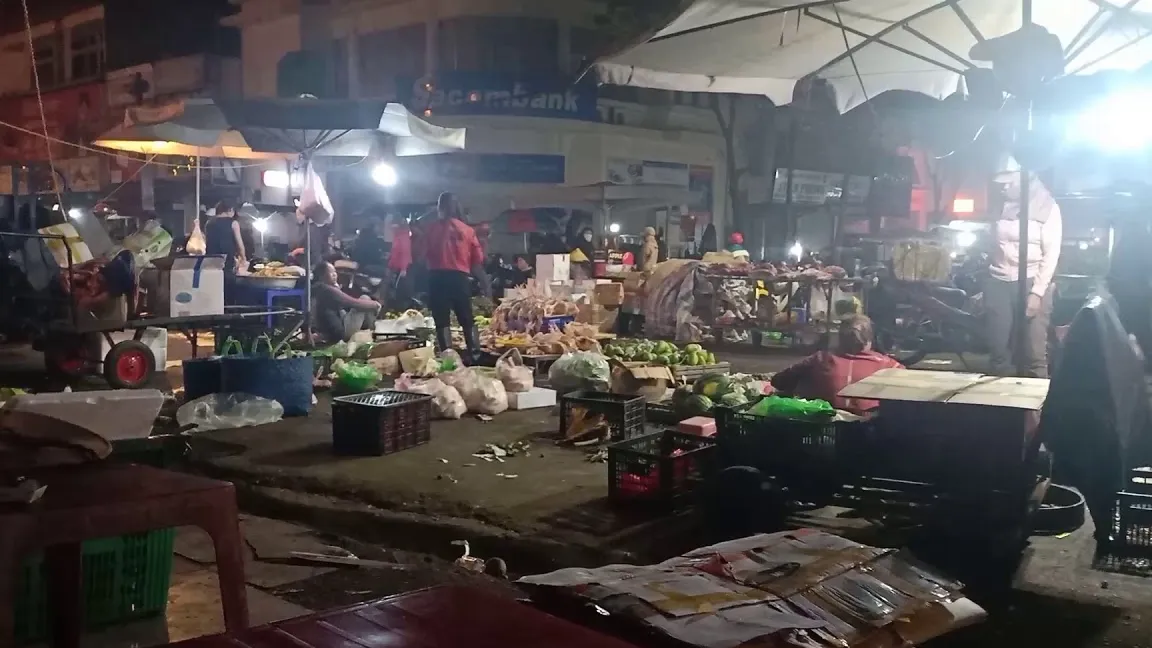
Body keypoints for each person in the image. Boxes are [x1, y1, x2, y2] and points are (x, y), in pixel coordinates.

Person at [984, 167, 1062, 378]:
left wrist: (1037, 293)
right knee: (998, 351)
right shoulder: (998, 206)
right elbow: (990, 244)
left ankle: (1036, 409)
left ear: (1024, 181)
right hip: (998, 280)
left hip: (1032, 281)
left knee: (1034, 353)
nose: (1004, 187)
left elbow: (1051, 254)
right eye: (1001, 184)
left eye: (1009, 182)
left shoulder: (1047, 207)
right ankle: (1002, 406)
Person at [770, 314, 903, 415]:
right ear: (869, 339)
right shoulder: (888, 365)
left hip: (824, 424)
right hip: (870, 428)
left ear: (839, 339)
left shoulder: (821, 358)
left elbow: (778, 381)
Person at [415, 192, 490, 357]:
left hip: (437, 278)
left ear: (439, 207)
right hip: (459, 279)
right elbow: (477, 261)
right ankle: (475, 355)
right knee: (466, 317)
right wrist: (485, 285)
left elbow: (420, 257)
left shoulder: (431, 229)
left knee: (441, 319)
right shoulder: (468, 231)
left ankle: (448, 358)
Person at [311, 260, 381, 343]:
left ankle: (370, 331)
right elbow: (352, 303)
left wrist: (336, 287)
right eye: (331, 272)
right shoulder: (326, 290)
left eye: (335, 272)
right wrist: (375, 304)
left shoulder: (318, 288)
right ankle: (372, 330)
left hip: (333, 330)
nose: (334, 275)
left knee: (365, 302)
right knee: (365, 299)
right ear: (321, 276)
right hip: (341, 333)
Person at [203, 200, 246, 272]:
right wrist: (243, 258)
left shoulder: (208, 223)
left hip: (210, 260)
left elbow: (205, 241)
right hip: (227, 260)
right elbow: (240, 244)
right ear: (231, 209)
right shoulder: (233, 223)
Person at [385, 217, 413, 309]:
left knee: (401, 292)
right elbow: (395, 252)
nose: (391, 228)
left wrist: (403, 269)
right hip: (397, 268)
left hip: (403, 268)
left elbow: (405, 253)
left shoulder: (403, 236)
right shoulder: (397, 236)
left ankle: (401, 309)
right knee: (396, 290)